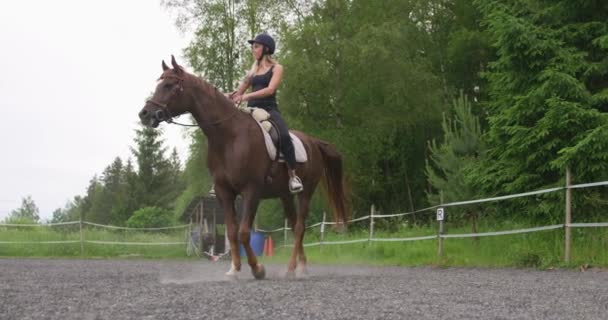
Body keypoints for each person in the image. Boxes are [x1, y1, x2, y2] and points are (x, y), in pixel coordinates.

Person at [217, 33, 303, 194]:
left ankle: (293, 176)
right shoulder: (252, 70)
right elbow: (239, 92)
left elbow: (270, 89)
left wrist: (245, 96)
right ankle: (224, 174)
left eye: (256, 46)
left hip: (269, 109)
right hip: (250, 110)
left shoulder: (277, 68)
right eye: (253, 46)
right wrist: (227, 95)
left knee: (283, 136)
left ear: (266, 49)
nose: (253, 49)